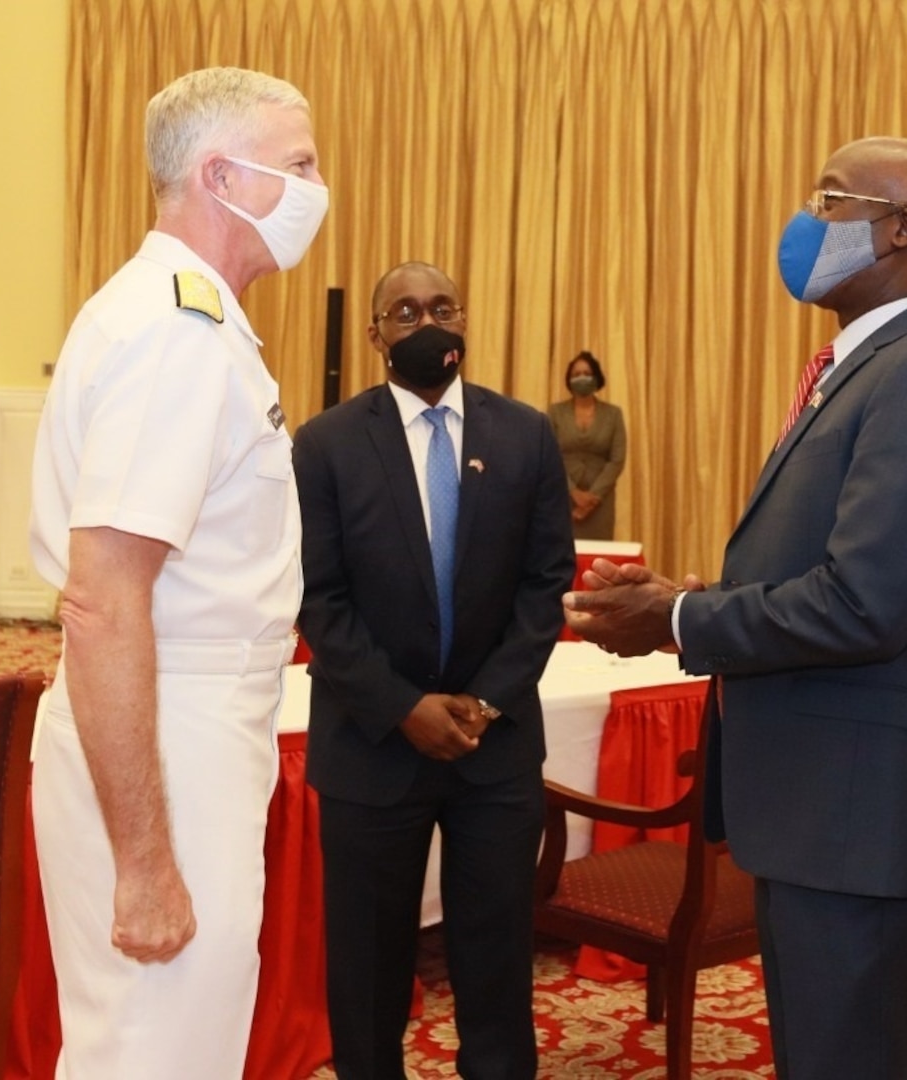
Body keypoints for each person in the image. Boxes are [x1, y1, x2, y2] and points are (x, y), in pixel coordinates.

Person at [564, 137, 907, 1078]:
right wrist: (691, 596)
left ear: (901, 230)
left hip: (866, 820)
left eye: (828, 200)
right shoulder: (861, 365)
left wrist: (678, 625)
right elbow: (827, 566)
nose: (807, 222)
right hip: (828, 811)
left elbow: (862, 606)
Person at [26, 66, 327, 1079]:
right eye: (296, 165)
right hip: (165, 719)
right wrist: (147, 863)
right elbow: (106, 604)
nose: (316, 189)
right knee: (155, 1050)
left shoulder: (185, 315)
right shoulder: (177, 335)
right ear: (220, 176)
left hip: (177, 713)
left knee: (157, 1041)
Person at [293, 261, 575, 1080]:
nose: (428, 323)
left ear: (465, 319)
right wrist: (406, 706)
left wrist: (482, 703)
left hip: (497, 748)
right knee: (370, 968)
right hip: (372, 746)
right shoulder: (325, 444)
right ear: (377, 333)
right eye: (406, 311)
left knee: (495, 958)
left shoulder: (524, 435)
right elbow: (320, 598)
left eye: (443, 307)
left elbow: (544, 584)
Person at [547, 350, 627, 539]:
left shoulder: (613, 414)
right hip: (563, 496)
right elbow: (549, 456)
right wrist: (573, 492)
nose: (581, 378)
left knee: (598, 560)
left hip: (600, 501)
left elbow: (617, 460)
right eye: (576, 374)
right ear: (569, 380)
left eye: (586, 373)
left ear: (596, 377)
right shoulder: (555, 412)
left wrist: (592, 498)